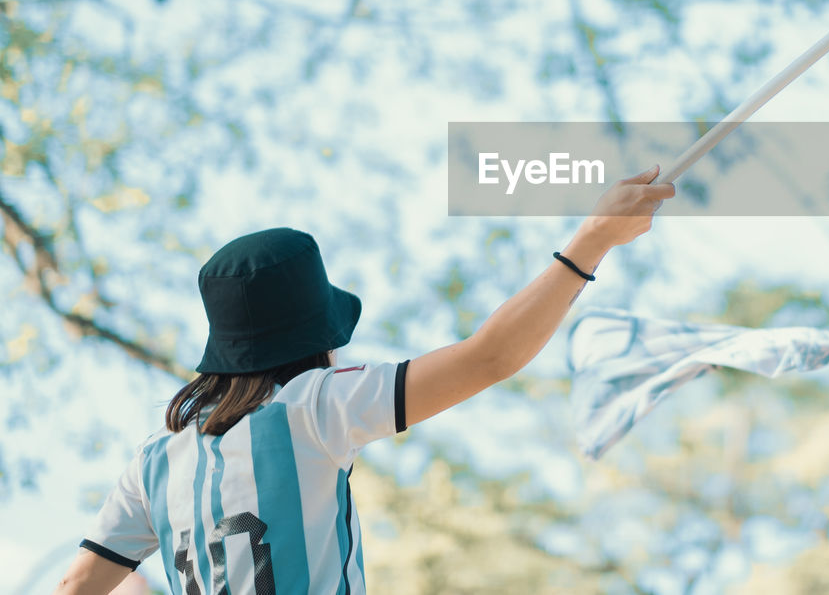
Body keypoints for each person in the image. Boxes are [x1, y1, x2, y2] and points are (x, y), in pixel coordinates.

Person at [54, 165, 674, 595]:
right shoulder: (314, 408)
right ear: (314, 340)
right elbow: (490, 357)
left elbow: (78, 586)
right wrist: (592, 240)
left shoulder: (154, 465)